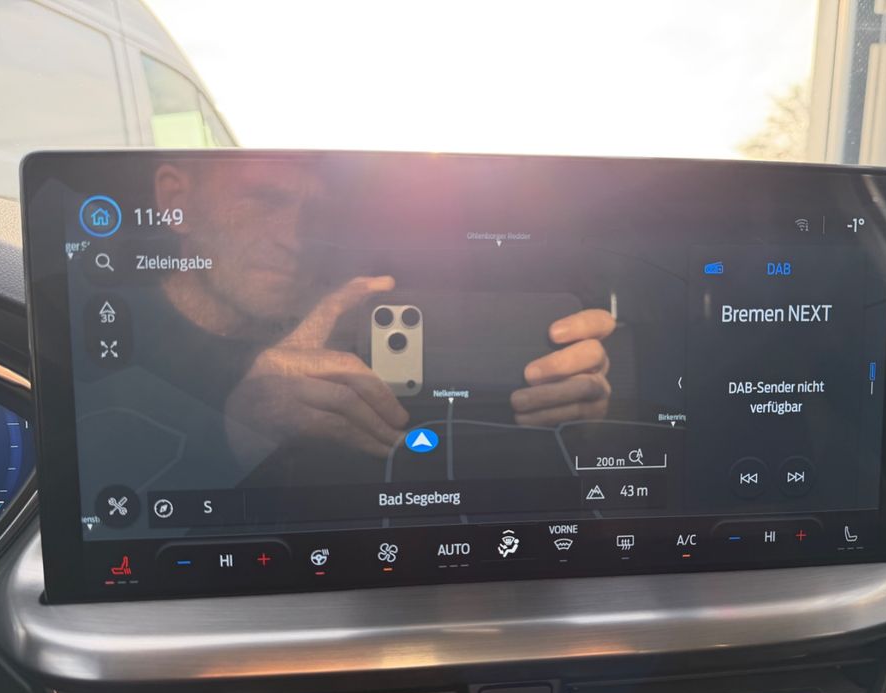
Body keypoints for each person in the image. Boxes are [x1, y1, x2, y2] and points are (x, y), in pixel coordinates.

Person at [151, 159, 615, 472]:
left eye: (318, 214)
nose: (295, 239)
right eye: (264, 199)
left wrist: (576, 425)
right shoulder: (117, 350)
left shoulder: (353, 328)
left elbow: (444, 461)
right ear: (177, 202)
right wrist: (239, 433)